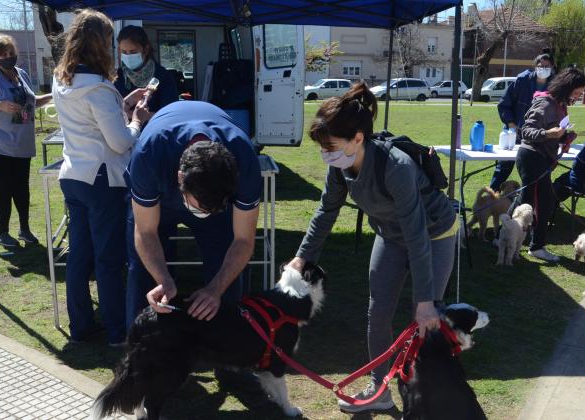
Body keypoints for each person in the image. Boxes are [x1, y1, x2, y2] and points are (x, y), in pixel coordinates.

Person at [285, 82, 458, 413]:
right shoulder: (341, 165)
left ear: (358, 139)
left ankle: (427, 393)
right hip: (391, 234)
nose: (325, 154)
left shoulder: (397, 169)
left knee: (425, 319)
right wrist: (302, 257)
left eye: (330, 146)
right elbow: (326, 211)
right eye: (322, 148)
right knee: (377, 312)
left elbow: (418, 237)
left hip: (433, 234)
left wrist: (424, 301)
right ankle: (380, 388)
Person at [52, 9, 152, 347]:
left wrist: (122, 103)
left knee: (80, 255)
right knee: (109, 259)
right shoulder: (98, 88)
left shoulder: (62, 80)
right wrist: (136, 119)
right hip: (100, 180)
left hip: (73, 175)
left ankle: (81, 327)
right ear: (101, 44)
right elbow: (120, 141)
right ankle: (116, 332)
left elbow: (93, 122)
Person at [127, 100, 261, 326]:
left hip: (210, 201)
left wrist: (216, 289)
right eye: (199, 206)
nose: (203, 212)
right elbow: (145, 230)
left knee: (226, 272)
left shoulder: (244, 158)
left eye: (212, 208)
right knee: (143, 274)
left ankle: (225, 348)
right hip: (161, 198)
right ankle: (141, 347)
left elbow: (244, 240)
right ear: (180, 178)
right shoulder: (150, 153)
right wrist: (163, 279)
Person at [0, 34, 52, 248]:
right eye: (3, 54)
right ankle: (2, 232)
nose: (9, 57)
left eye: (11, 53)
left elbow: (31, 101)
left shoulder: (21, 74)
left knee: (21, 187)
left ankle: (24, 229)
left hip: (20, 142)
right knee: (3, 186)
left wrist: (54, 96)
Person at [516, 68, 585, 262]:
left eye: (580, 93)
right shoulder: (545, 103)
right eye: (577, 92)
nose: (578, 97)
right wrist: (549, 135)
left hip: (541, 158)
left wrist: (565, 136)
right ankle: (535, 246)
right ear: (567, 87)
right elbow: (527, 131)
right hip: (532, 157)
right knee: (541, 203)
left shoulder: (559, 104)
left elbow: (553, 130)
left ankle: (505, 237)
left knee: (527, 202)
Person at [491, 53, 555, 191]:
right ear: (535, 66)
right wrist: (511, 124)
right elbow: (504, 104)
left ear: (552, 67)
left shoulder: (555, 85)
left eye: (547, 66)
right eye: (540, 66)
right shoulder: (522, 80)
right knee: (503, 167)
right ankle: (492, 196)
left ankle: (534, 200)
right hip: (515, 132)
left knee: (536, 170)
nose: (543, 69)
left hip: (539, 136)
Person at [114, 25, 179, 114]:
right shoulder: (116, 76)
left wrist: (142, 117)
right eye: (124, 52)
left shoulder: (162, 75)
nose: (128, 56)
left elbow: (170, 114)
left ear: (146, 49)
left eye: (133, 52)